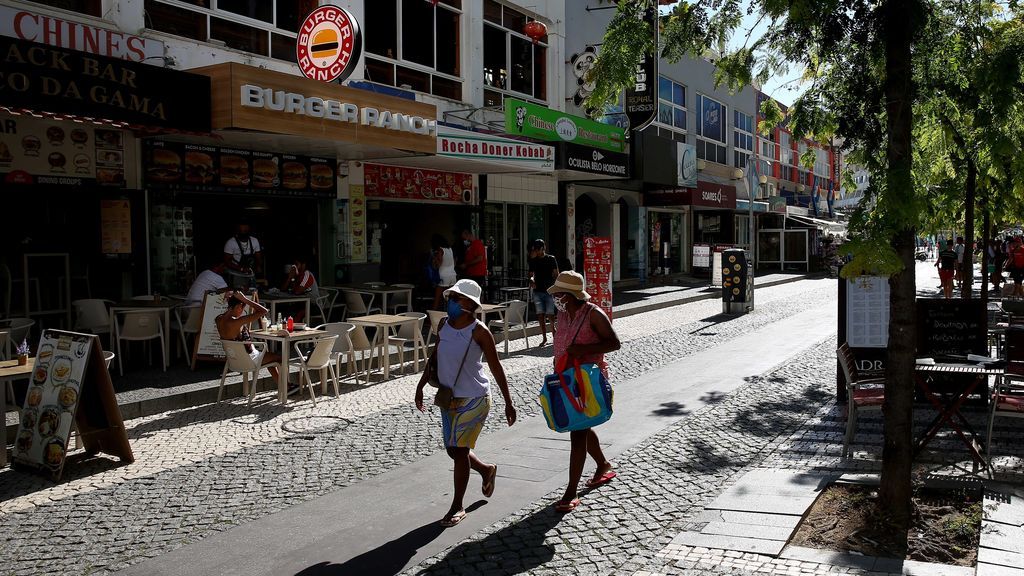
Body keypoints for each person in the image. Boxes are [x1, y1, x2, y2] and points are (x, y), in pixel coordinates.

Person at [414, 279, 516, 527]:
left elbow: (496, 366)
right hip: (449, 397)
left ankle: (457, 506)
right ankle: (485, 469)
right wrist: (421, 385)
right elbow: (435, 357)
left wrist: (508, 402)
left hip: (475, 398)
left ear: (470, 304)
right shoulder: (444, 324)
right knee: (452, 449)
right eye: (451, 298)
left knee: (459, 450)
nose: (451, 303)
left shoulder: (480, 331)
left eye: (456, 299)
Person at [548, 271, 621, 512]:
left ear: (569, 296)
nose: (555, 297)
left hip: (586, 382)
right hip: (566, 379)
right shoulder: (563, 313)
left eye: (558, 293)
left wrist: (584, 349)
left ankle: (571, 492)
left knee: (577, 431)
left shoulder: (594, 314)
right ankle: (602, 464)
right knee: (582, 426)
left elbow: (614, 343)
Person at [215, 290, 293, 395]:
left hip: (234, 360)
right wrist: (245, 300)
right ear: (238, 307)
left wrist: (233, 302)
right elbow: (264, 311)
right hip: (249, 359)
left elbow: (228, 317)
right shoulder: (237, 322)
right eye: (242, 309)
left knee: (270, 359)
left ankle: (284, 386)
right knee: (280, 358)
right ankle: (286, 387)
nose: (242, 312)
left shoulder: (218, 319)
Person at [527, 239, 559, 346]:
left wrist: (556, 286)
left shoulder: (551, 259)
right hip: (537, 291)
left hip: (549, 290)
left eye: (537, 249)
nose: (535, 251)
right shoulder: (533, 260)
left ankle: (554, 333)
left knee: (550, 314)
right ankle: (544, 337)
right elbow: (531, 273)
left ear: (542, 248)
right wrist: (531, 279)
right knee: (540, 315)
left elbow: (556, 273)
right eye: (534, 249)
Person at [223, 221, 263, 288]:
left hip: (250, 273)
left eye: (246, 230)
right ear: (238, 231)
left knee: (252, 292)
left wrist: (259, 266)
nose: (244, 231)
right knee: (239, 292)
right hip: (236, 273)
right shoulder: (230, 242)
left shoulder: (254, 241)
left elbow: (258, 257)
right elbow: (227, 261)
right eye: (242, 230)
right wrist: (241, 269)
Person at [280, 256, 319, 321]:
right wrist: (290, 278)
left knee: (295, 312)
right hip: (300, 302)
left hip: (313, 305)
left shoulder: (307, 274)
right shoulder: (297, 275)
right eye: (294, 265)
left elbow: (298, 291)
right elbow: (283, 289)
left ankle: (294, 327)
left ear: (303, 265)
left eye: (296, 264)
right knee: (284, 309)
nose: (294, 267)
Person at [431, 234, 458, 310]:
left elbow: (439, 264)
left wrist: (434, 259)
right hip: (452, 275)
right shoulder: (450, 249)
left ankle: (433, 315)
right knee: (451, 298)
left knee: (437, 298)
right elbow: (454, 262)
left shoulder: (440, 250)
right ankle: (452, 314)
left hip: (443, 276)